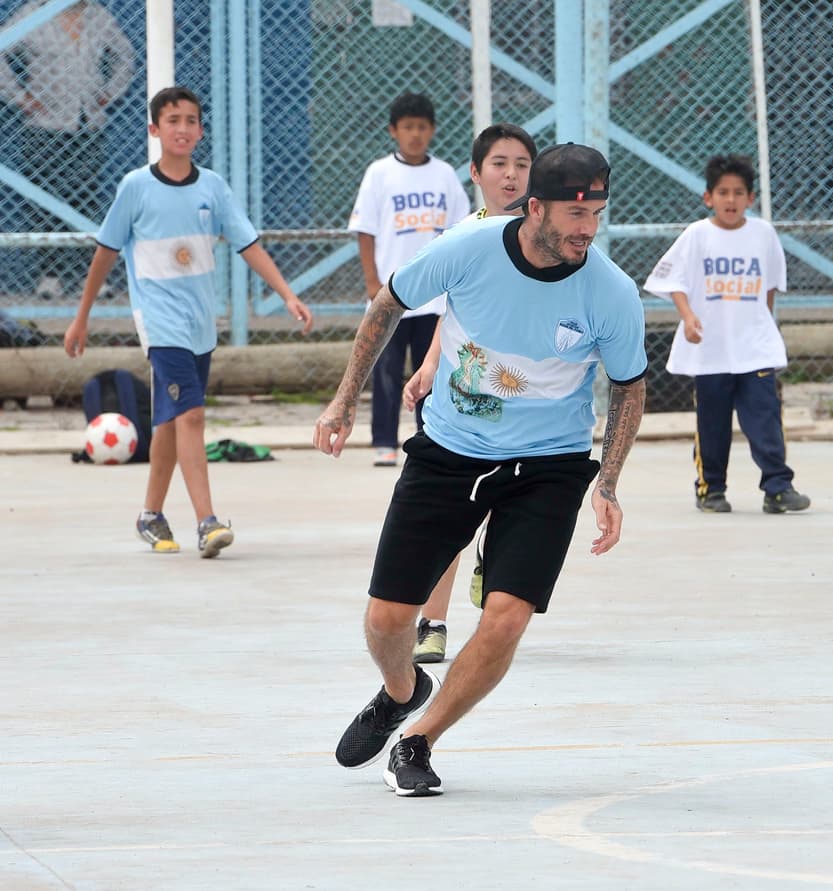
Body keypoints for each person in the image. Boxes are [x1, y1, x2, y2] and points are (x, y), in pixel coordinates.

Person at [314, 143, 647, 797]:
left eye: (597, 214)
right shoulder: (470, 248)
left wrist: (606, 480)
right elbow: (387, 304)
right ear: (534, 208)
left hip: (548, 466)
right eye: (574, 214)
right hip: (450, 451)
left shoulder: (610, 291)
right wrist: (346, 396)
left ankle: (418, 740)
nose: (586, 228)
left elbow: (630, 385)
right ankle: (401, 690)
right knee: (387, 620)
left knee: (506, 616)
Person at [63, 85, 314, 556]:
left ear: (200, 130)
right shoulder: (135, 187)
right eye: (173, 120)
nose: (183, 128)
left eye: (191, 120)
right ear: (155, 129)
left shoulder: (213, 187)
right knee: (192, 415)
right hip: (160, 323)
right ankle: (207, 522)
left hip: (201, 325)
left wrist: (287, 295)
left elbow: (248, 244)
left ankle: (150, 515)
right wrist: (81, 318)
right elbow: (104, 253)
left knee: (169, 424)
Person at [397, 121, 538, 666]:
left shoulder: (547, 234)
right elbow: (453, 313)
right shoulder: (462, 238)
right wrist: (431, 365)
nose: (511, 175)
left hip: (526, 398)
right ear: (476, 173)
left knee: (514, 511)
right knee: (449, 516)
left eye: (522, 165)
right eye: (499, 164)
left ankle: (494, 569)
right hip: (468, 393)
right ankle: (432, 624)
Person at [643, 153, 810, 515]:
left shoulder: (763, 234)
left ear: (750, 198)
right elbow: (674, 280)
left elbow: (770, 287)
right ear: (708, 197)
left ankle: (778, 487)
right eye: (722, 192)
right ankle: (711, 488)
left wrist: (761, 325)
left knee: (765, 418)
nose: (730, 200)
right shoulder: (697, 235)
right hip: (712, 350)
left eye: (738, 193)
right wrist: (687, 317)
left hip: (753, 347)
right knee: (712, 424)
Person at [348, 91, 470, 469]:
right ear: (394, 131)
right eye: (407, 128)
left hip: (434, 298)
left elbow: (462, 229)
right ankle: (383, 440)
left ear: (432, 130)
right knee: (385, 371)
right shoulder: (379, 173)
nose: (415, 135)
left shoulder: (446, 174)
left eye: (422, 127)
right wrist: (372, 282)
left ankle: (427, 436)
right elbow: (365, 230)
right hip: (392, 293)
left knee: (430, 369)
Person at [0, 0, 135, 299]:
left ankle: (92, 277)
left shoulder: (97, 15)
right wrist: (20, 98)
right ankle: (50, 277)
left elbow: (125, 56)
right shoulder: (32, 14)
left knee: (86, 198)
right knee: (44, 201)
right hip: (44, 126)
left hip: (86, 126)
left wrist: (109, 93)